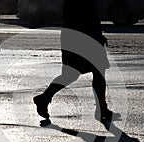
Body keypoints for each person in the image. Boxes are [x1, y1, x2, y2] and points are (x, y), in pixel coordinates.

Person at [33, 0, 120, 130]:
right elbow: (84, 18)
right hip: (82, 37)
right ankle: (44, 98)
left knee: (89, 71)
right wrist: (95, 36)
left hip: (78, 36)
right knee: (78, 72)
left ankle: (102, 108)